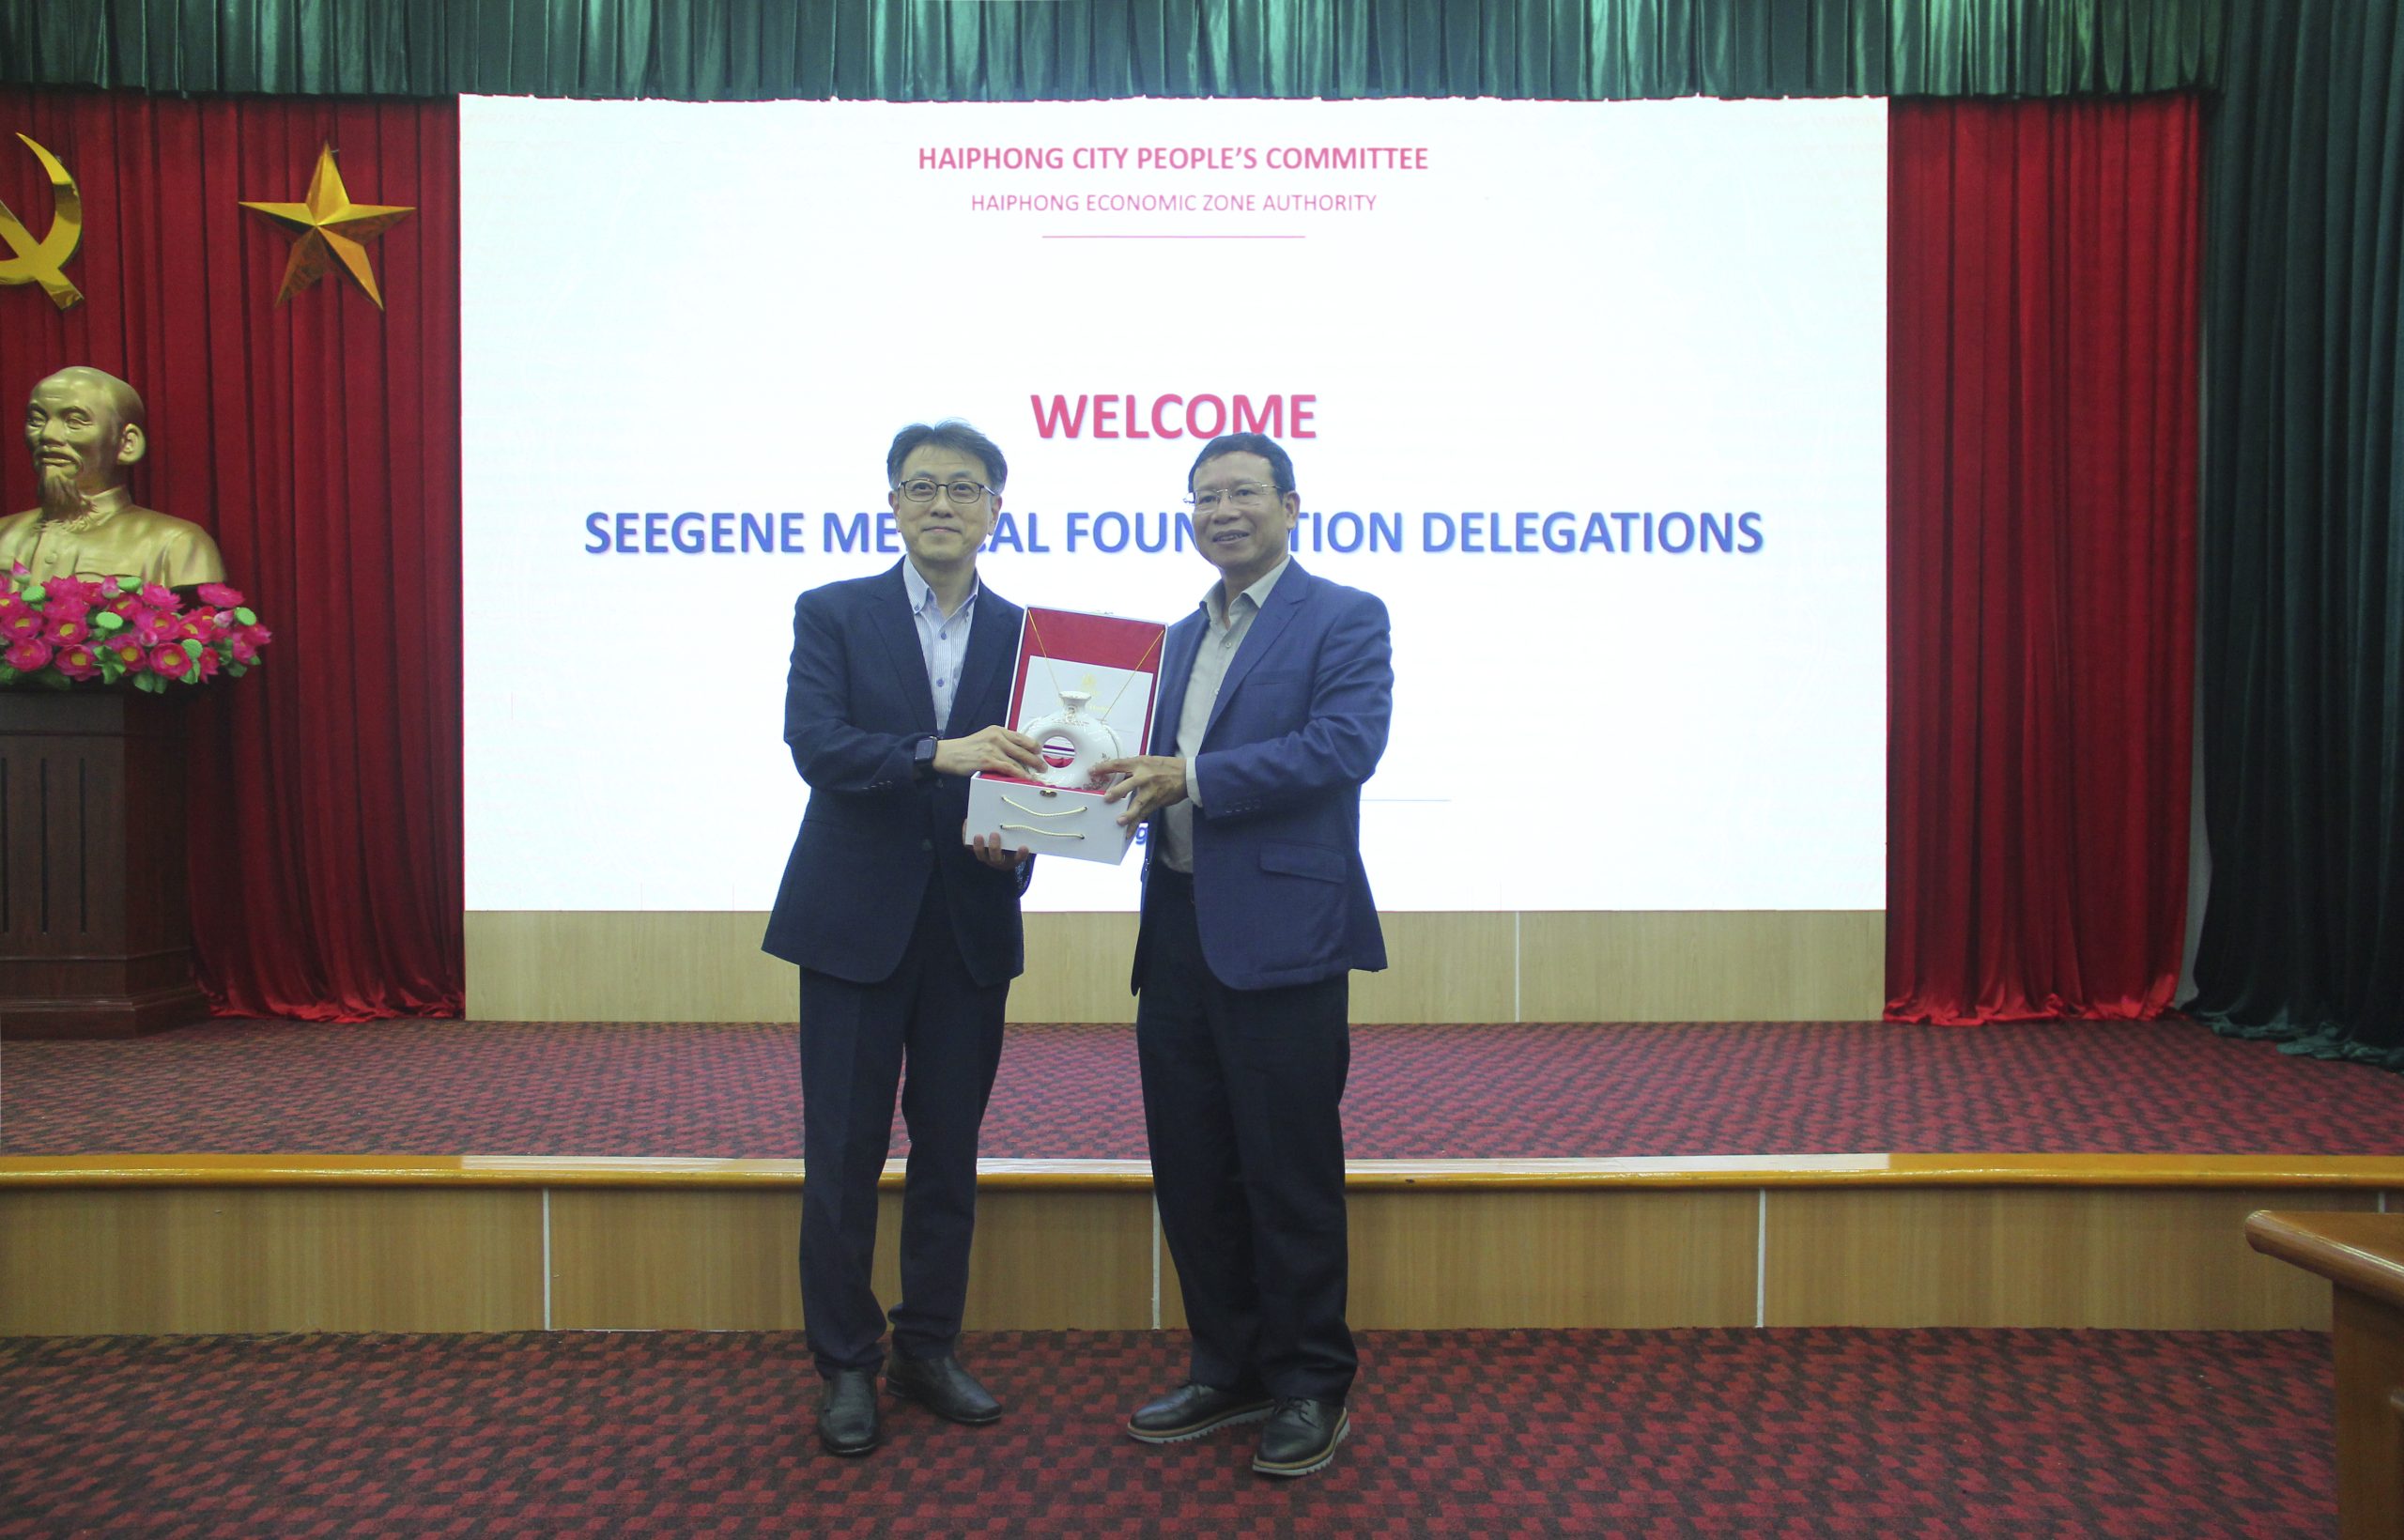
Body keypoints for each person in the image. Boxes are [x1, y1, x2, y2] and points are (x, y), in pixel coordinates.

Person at [1097, 432, 1393, 1479]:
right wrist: (1074, 800)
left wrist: (1193, 778)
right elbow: (1143, 767)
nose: (1222, 510)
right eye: (1204, 496)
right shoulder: (1176, 638)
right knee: (1193, 1168)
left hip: (1282, 937)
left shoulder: (1343, 616)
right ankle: (1229, 1366)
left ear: (1291, 504)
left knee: (1287, 1170)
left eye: (1242, 492)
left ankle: (1311, 1379)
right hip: (1177, 929)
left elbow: (1345, 745)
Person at [762, 420, 1045, 1457]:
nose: (941, 505)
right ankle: (846, 1361)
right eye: (921, 486)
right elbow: (818, 746)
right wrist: (937, 753)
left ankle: (928, 1346)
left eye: (963, 488)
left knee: (949, 1150)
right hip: (852, 924)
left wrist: (1026, 842)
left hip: (969, 925)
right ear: (891, 503)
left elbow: (1047, 773)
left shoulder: (1029, 635)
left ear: (995, 509)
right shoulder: (833, 611)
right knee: (842, 1153)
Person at [1, 366, 226, 586]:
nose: (47, 435)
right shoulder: (4, 534)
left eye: (75, 421)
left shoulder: (176, 545)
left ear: (127, 443)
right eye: (36, 420)